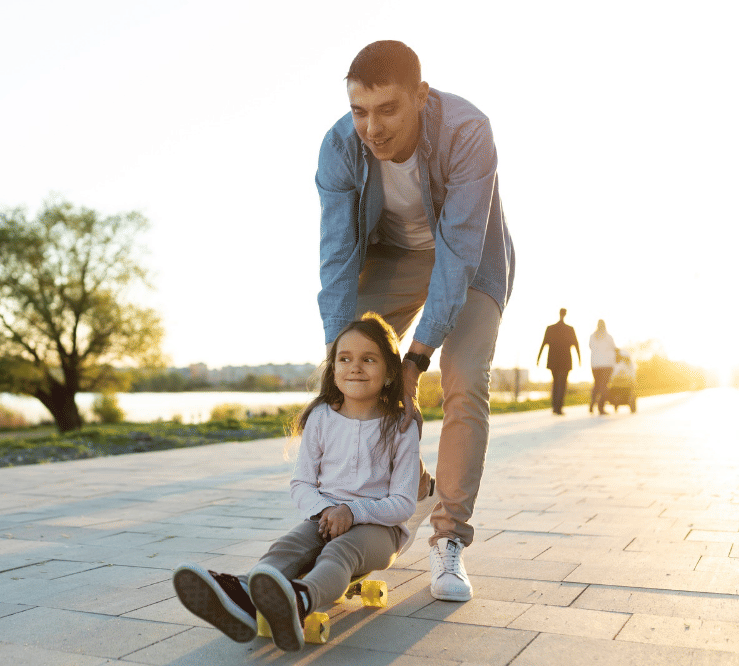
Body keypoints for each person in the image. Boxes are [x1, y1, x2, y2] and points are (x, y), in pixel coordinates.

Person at [315, 40, 515, 602]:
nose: (371, 129)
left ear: (421, 97)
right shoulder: (339, 148)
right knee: (356, 374)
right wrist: (340, 359)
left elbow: (457, 254)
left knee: (464, 378)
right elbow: (337, 262)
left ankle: (448, 537)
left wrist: (417, 359)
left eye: (387, 110)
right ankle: (406, 489)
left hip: (471, 259)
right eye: (359, 111)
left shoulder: (467, 131)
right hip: (392, 258)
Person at [173, 314, 420, 652]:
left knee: (338, 552)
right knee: (287, 548)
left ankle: (300, 601)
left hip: (381, 530)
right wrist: (328, 510)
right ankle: (243, 597)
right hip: (324, 517)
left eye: (369, 359)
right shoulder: (321, 416)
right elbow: (301, 482)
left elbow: (404, 503)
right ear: (333, 368)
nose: (355, 367)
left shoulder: (400, 426)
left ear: (391, 371)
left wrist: (352, 511)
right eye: (344, 359)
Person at [536, 309, 581, 415]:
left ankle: (555, 407)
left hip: (553, 360)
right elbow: (576, 344)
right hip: (565, 361)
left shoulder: (551, 328)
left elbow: (543, 344)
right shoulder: (569, 329)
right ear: (565, 314)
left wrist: (538, 359)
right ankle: (558, 407)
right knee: (562, 384)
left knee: (556, 383)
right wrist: (579, 359)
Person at [589, 320, 617, 414]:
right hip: (607, 365)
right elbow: (614, 348)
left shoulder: (593, 336)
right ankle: (601, 407)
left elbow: (590, 347)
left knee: (597, 384)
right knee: (604, 385)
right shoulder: (608, 337)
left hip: (595, 365)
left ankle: (592, 404)